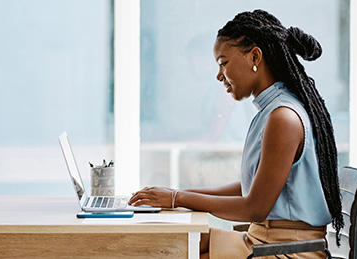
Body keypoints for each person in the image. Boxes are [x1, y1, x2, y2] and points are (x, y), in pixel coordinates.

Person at [128, 9, 344, 259]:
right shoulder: (271, 110)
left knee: (173, 253)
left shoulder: (283, 117)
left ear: (255, 57)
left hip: (288, 251)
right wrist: (178, 194)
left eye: (223, 63)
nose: (219, 76)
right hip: (262, 239)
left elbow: (255, 207)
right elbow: (251, 189)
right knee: (167, 245)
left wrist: (178, 198)